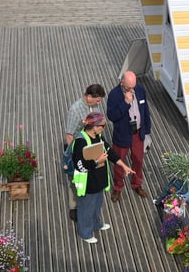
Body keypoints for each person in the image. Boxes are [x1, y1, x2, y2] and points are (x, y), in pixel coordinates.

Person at [72, 112, 133, 244]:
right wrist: (97, 161)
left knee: (96, 205)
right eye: (102, 125)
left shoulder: (98, 136)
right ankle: (85, 233)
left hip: (99, 180)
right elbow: (79, 165)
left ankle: (95, 224)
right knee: (86, 208)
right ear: (94, 126)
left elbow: (109, 151)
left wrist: (123, 165)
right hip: (88, 182)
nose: (104, 128)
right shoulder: (80, 141)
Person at [106, 71, 152, 202]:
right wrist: (125, 103)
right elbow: (111, 116)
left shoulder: (140, 89)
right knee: (119, 161)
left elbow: (145, 110)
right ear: (122, 82)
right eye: (128, 87)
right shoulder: (114, 95)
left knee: (138, 159)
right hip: (122, 134)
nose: (132, 90)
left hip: (138, 132)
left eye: (133, 87)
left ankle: (137, 184)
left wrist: (147, 130)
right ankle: (118, 187)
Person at [64, 84, 107, 221]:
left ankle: (87, 202)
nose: (99, 103)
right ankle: (74, 207)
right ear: (89, 96)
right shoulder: (75, 110)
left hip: (92, 146)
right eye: (97, 100)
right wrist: (74, 154)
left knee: (89, 174)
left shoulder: (94, 107)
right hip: (79, 146)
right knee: (75, 179)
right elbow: (69, 134)